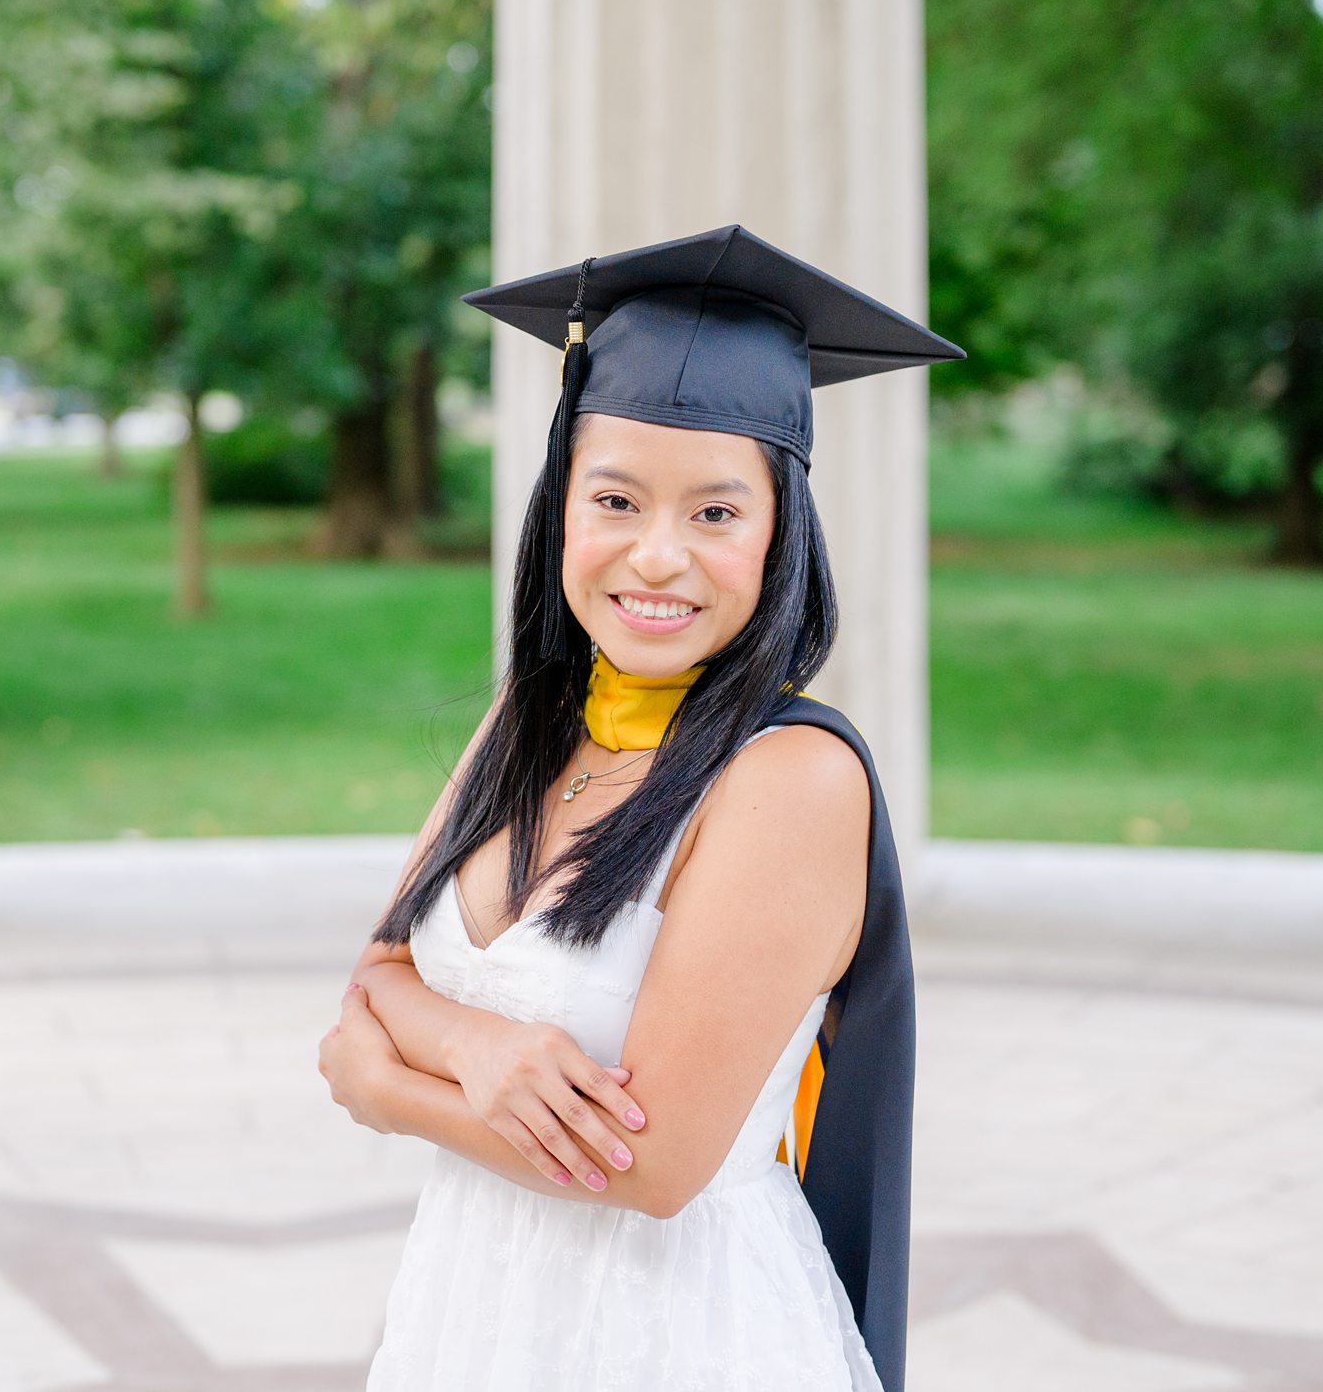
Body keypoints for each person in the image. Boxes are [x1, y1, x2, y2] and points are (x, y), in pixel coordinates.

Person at [317, 225, 963, 1391]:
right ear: (562, 507)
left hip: (678, 1334)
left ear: (780, 534)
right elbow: (377, 973)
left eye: (716, 513)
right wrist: (480, 1047)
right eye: (615, 498)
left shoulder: (789, 781)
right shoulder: (526, 721)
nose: (656, 557)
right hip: (476, 1311)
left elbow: (654, 1163)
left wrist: (391, 1092)